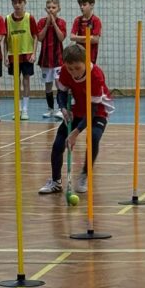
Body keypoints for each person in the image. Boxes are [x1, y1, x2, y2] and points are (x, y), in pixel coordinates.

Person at [38, 43, 113, 195]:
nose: (74, 72)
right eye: (70, 68)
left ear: (86, 62)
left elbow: (92, 110)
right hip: (77, 107)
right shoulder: (65, 71)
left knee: (93, 137)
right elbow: (61, 92)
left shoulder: (96, 75)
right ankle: (56, 182)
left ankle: (84, 174)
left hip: (97, 109)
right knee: (58, 144)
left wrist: (75, 133)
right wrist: (63, 108)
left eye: (77, 68)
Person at [4, 0, 38, 120]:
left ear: (25, 3)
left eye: (20, 2)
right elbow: (5, 40)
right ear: (12, 3)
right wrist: (5, 55)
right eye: (15, 2)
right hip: (13, 55)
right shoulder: (8, 19)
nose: (17, 5)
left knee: (26, 80)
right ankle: (17, 109)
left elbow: (35, 36)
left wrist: (34, 53)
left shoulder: (29, 18)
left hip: (27, 54)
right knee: (16, 82)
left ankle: (25, 109)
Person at [37, 0, 66, 119]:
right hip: (45, 59)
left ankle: (60, 109)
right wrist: (47, 24)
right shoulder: (41, 22)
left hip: (58, 58)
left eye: (53, 7)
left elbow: (61, 38)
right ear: (46, 9)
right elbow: (39, 38)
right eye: (48, 7)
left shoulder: (61, 22)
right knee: (48, 85)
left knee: (59, 84)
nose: (51, 10)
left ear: (58, 9)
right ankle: (50, 109)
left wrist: (54, 23)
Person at [70, 0, 102, 64]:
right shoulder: (77, 20)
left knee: (89, 70)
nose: (81, 7)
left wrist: (78, 38)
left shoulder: (96, 20)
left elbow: (95, 40)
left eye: (84, 5)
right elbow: (72, 37)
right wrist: (89, 38)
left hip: (91, 54)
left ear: (92, 5)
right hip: (79, 54)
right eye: (80, 5)